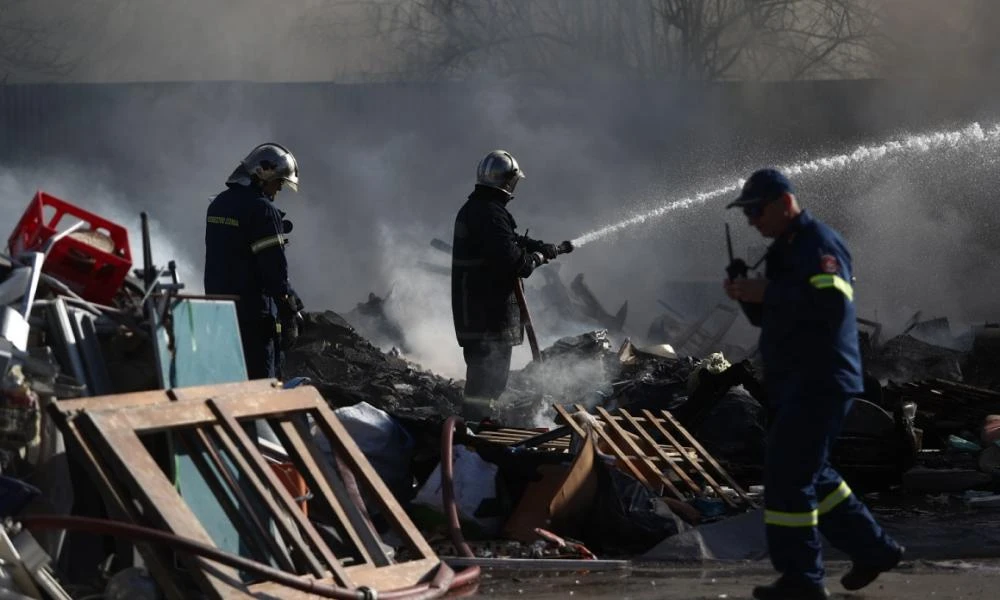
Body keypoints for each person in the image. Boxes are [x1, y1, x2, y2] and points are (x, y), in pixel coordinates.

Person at [723, 168, 903, 600]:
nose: (751, 221)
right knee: (811, 471)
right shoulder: (785, 251)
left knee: (787, 474)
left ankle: (802, 579)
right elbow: (778, 315)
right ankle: (873, 548)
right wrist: (747, 295)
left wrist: (767, 291)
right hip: (796, 380)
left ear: (784, 203)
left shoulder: (818, 244)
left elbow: (830, 303)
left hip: (820, 377)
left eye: (755, 210)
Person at [451, 149, 572, 419]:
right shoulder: (491, 215)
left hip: (478, 317)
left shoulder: (479, 210)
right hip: (488, 319)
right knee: (487, 383)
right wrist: (538, 257)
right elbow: (518, 264)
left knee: (486, 384)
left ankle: (477, 424)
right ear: (506, 183)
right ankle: (475, 431)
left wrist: (540, 246)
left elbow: (507, 240)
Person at [205, 142, 304, 380]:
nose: (278, 189)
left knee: (227, 379)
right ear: (264, 173)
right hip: (253, 314)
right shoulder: (263, 211)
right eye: (278, 182)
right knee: (261, 384)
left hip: (218, 310)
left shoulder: (218, 204)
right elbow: (274, 269)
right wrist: (291, 307)